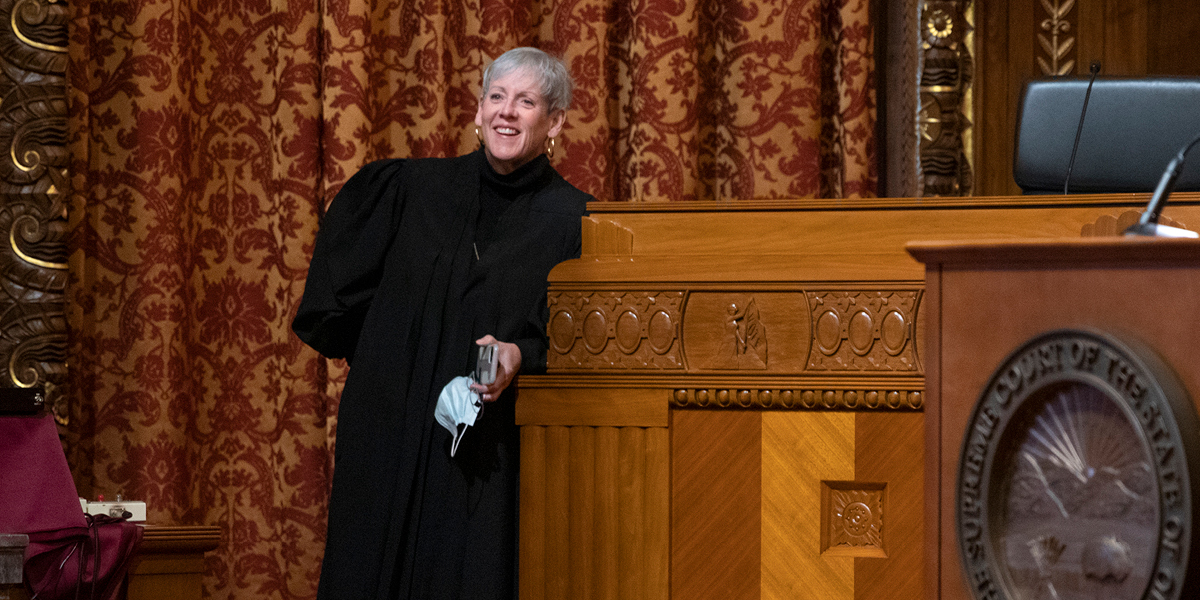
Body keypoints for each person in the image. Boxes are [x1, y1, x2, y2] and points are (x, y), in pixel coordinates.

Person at [292, 47, 592, 600]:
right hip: (392, 429)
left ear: (555, 122)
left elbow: (588, 340)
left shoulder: (577, 222)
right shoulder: (407, 191)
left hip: (493, 452)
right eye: (496, 97)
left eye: (526, 102)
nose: (507, 112)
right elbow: (334, 304)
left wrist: (521, 354)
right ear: (477, 111)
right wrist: (397, 357)